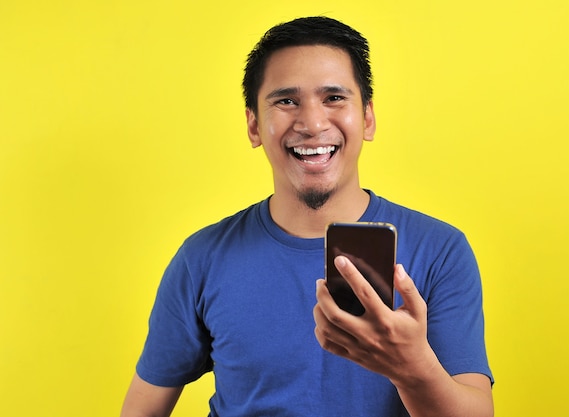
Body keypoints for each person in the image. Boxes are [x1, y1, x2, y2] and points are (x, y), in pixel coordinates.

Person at [121, 16, 494, 417]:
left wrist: (412, 368)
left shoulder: (441, 250)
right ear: (253, 125)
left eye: (334, 98)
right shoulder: (202, 258)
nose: (313, 124)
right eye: (286, 101)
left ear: (367, 118)